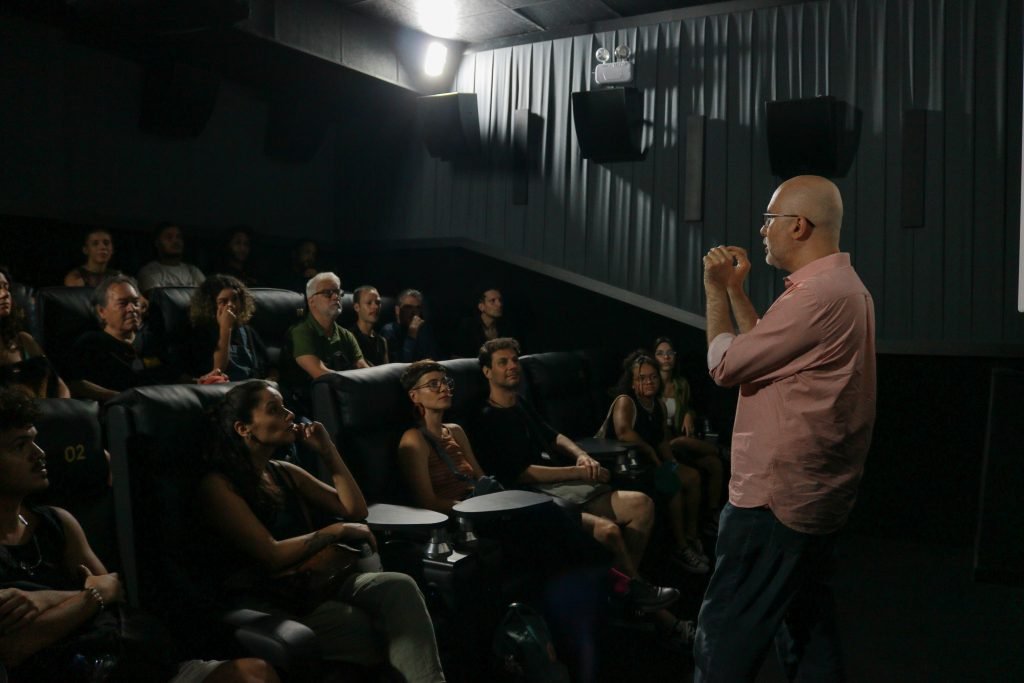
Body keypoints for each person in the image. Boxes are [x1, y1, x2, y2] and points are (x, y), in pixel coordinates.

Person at [694, 175, 876, 681]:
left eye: (769, 220)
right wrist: (736, 290)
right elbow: (763, 352)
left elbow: (727, 366)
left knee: (723, 641)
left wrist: (714, 292)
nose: (761, 231)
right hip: (812, 500)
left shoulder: (816, 297)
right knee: (809, 635)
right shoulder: (840, 288)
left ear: (798, 226)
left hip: (772, 505)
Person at [0, 387, 279, 682]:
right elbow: (15, 647)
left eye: (35, 440)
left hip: (125, 658)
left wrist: (44, 600)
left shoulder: (58, 521)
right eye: (20, 445)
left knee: (255, 674)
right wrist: (91, 596)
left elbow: (113, 590)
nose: (39, 454)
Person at [199, 380, 446, 682]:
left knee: (399, 586)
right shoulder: (218, 485)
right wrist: (336, 531)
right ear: (243, 428)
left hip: (316, 580)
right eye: (274, 410)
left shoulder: (284, 471)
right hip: (270, 595)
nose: (289, 414)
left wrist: (327, 450)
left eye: (286, 406)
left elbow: (355, 509)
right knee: (369, 628)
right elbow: (271, 554)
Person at [471, 339, 683, 618]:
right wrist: (578, 471)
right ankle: (636, 591)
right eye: (503, 362)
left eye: (514, 360)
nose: (512, 366)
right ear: (487, 371)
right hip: (533, 494)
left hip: (561, 485)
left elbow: (553, 435)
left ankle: (623, 595)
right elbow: (522, 472)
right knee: (608, 531)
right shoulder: (487, 417)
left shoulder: (520, 403)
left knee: (642, 505)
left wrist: (581, 455)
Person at [598, 352, 710, 574]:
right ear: (632, 382)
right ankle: (681, 548)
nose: (649, 382)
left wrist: (671, 462)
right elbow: (623, 432)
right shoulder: (626, 401)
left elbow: (661, 441)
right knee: (672, 487)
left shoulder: (657, 404)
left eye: (653, 377)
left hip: (648, 463)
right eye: (642, 378)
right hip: (624, 466)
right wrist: (649, 450)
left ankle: (691, 537)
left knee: (692, 477)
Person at [653, 337, 724, 534]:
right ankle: (722, 451)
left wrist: (688, 415)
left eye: (670, 353)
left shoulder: (681, 384)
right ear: (653, 357)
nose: (666, 357)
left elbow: (688, 408)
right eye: (660, 353)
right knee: (685, 443)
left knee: (714, 464)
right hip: (664, 445)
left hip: (680, 442)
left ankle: (712, 514)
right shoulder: (651, 385)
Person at [65, 275, 177, 402]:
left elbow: (174, 374)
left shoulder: (151, 340)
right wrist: (123, 397)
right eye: (123, 304)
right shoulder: (91, 343)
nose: (132, 309)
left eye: (135, 303)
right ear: (102, 312)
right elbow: (77, 384)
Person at [279, 273, 367, 410]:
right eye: (328, 293)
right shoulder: (301, 332)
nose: (336, 297)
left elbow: (364, 369)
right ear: (311, 301)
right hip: (307, 406)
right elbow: (319, 373)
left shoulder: (346, 335)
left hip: (343, 401)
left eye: (338, 292)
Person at [0, 267, 70, 399]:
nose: (5, 293)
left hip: (45, 412)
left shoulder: (23, 340)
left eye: (6, 287)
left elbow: (59, 385)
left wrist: (65, 408)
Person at [188, 275, 270, 382]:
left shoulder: (248, 331)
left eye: (235, 299)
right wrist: (225, 328)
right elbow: (217, 370)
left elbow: (269, 365)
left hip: (251, 387)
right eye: (223, 301)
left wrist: (271, 379)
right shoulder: (199, 332)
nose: (231, 305)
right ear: (211, 304)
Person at [136, 223, 206, 294]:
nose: (176, 241)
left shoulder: (193, 271)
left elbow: (206, 296)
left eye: (179, 237)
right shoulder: (149, 272)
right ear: (157, 243)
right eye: (169, 237)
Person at [452, 287, 517, 358]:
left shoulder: (507, 326)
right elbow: (457, 356)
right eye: (493, 301)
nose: (499, 304)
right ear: (481, 307)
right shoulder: (468, 326)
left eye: (500, 300)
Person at [381, 289, 439, 363]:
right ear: (397, 310)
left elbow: (434, 358)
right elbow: (400, 365)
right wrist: (411, 335)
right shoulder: (389, 331)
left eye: (417, 308)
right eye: (408, 307)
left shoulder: (424, 330)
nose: (414, 312)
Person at [347, 286, 389, 367]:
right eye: (369, 303)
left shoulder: (382, 341)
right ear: (357, 307)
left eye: (378, 303)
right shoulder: (348, 337)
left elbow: (386, 373)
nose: (375, 307)